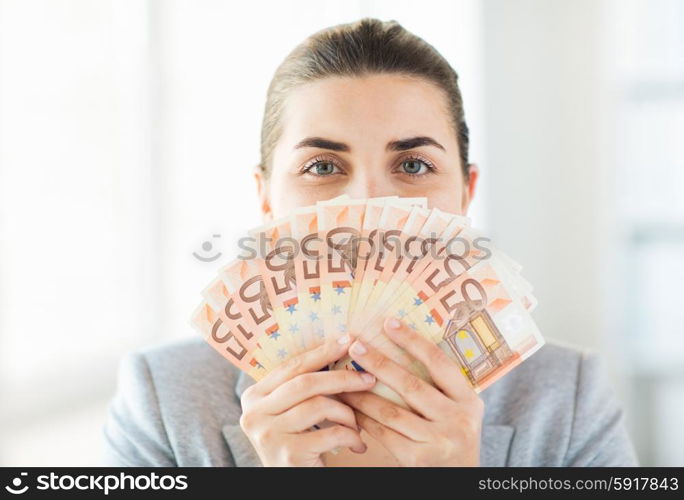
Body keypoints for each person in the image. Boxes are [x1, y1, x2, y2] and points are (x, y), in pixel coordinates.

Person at [102, 17, 639, 467]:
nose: (367, 203)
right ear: (266, 198)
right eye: (322, 166)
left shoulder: (568, 400)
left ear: (465, 192)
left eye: (412, 164)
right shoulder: (162, 401)